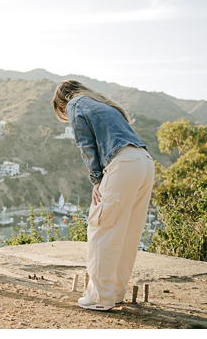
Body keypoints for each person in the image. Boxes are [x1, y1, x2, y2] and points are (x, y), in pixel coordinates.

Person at [52, 79, 154, 312]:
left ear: (62, 101)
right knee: (128, 231)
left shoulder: (75, 104)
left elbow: (85, 144)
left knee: (102, 228)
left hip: (123, 164)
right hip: (144, 162)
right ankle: (115, 292)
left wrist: (96, 179)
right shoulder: (101, 103)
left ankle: (99, 296)